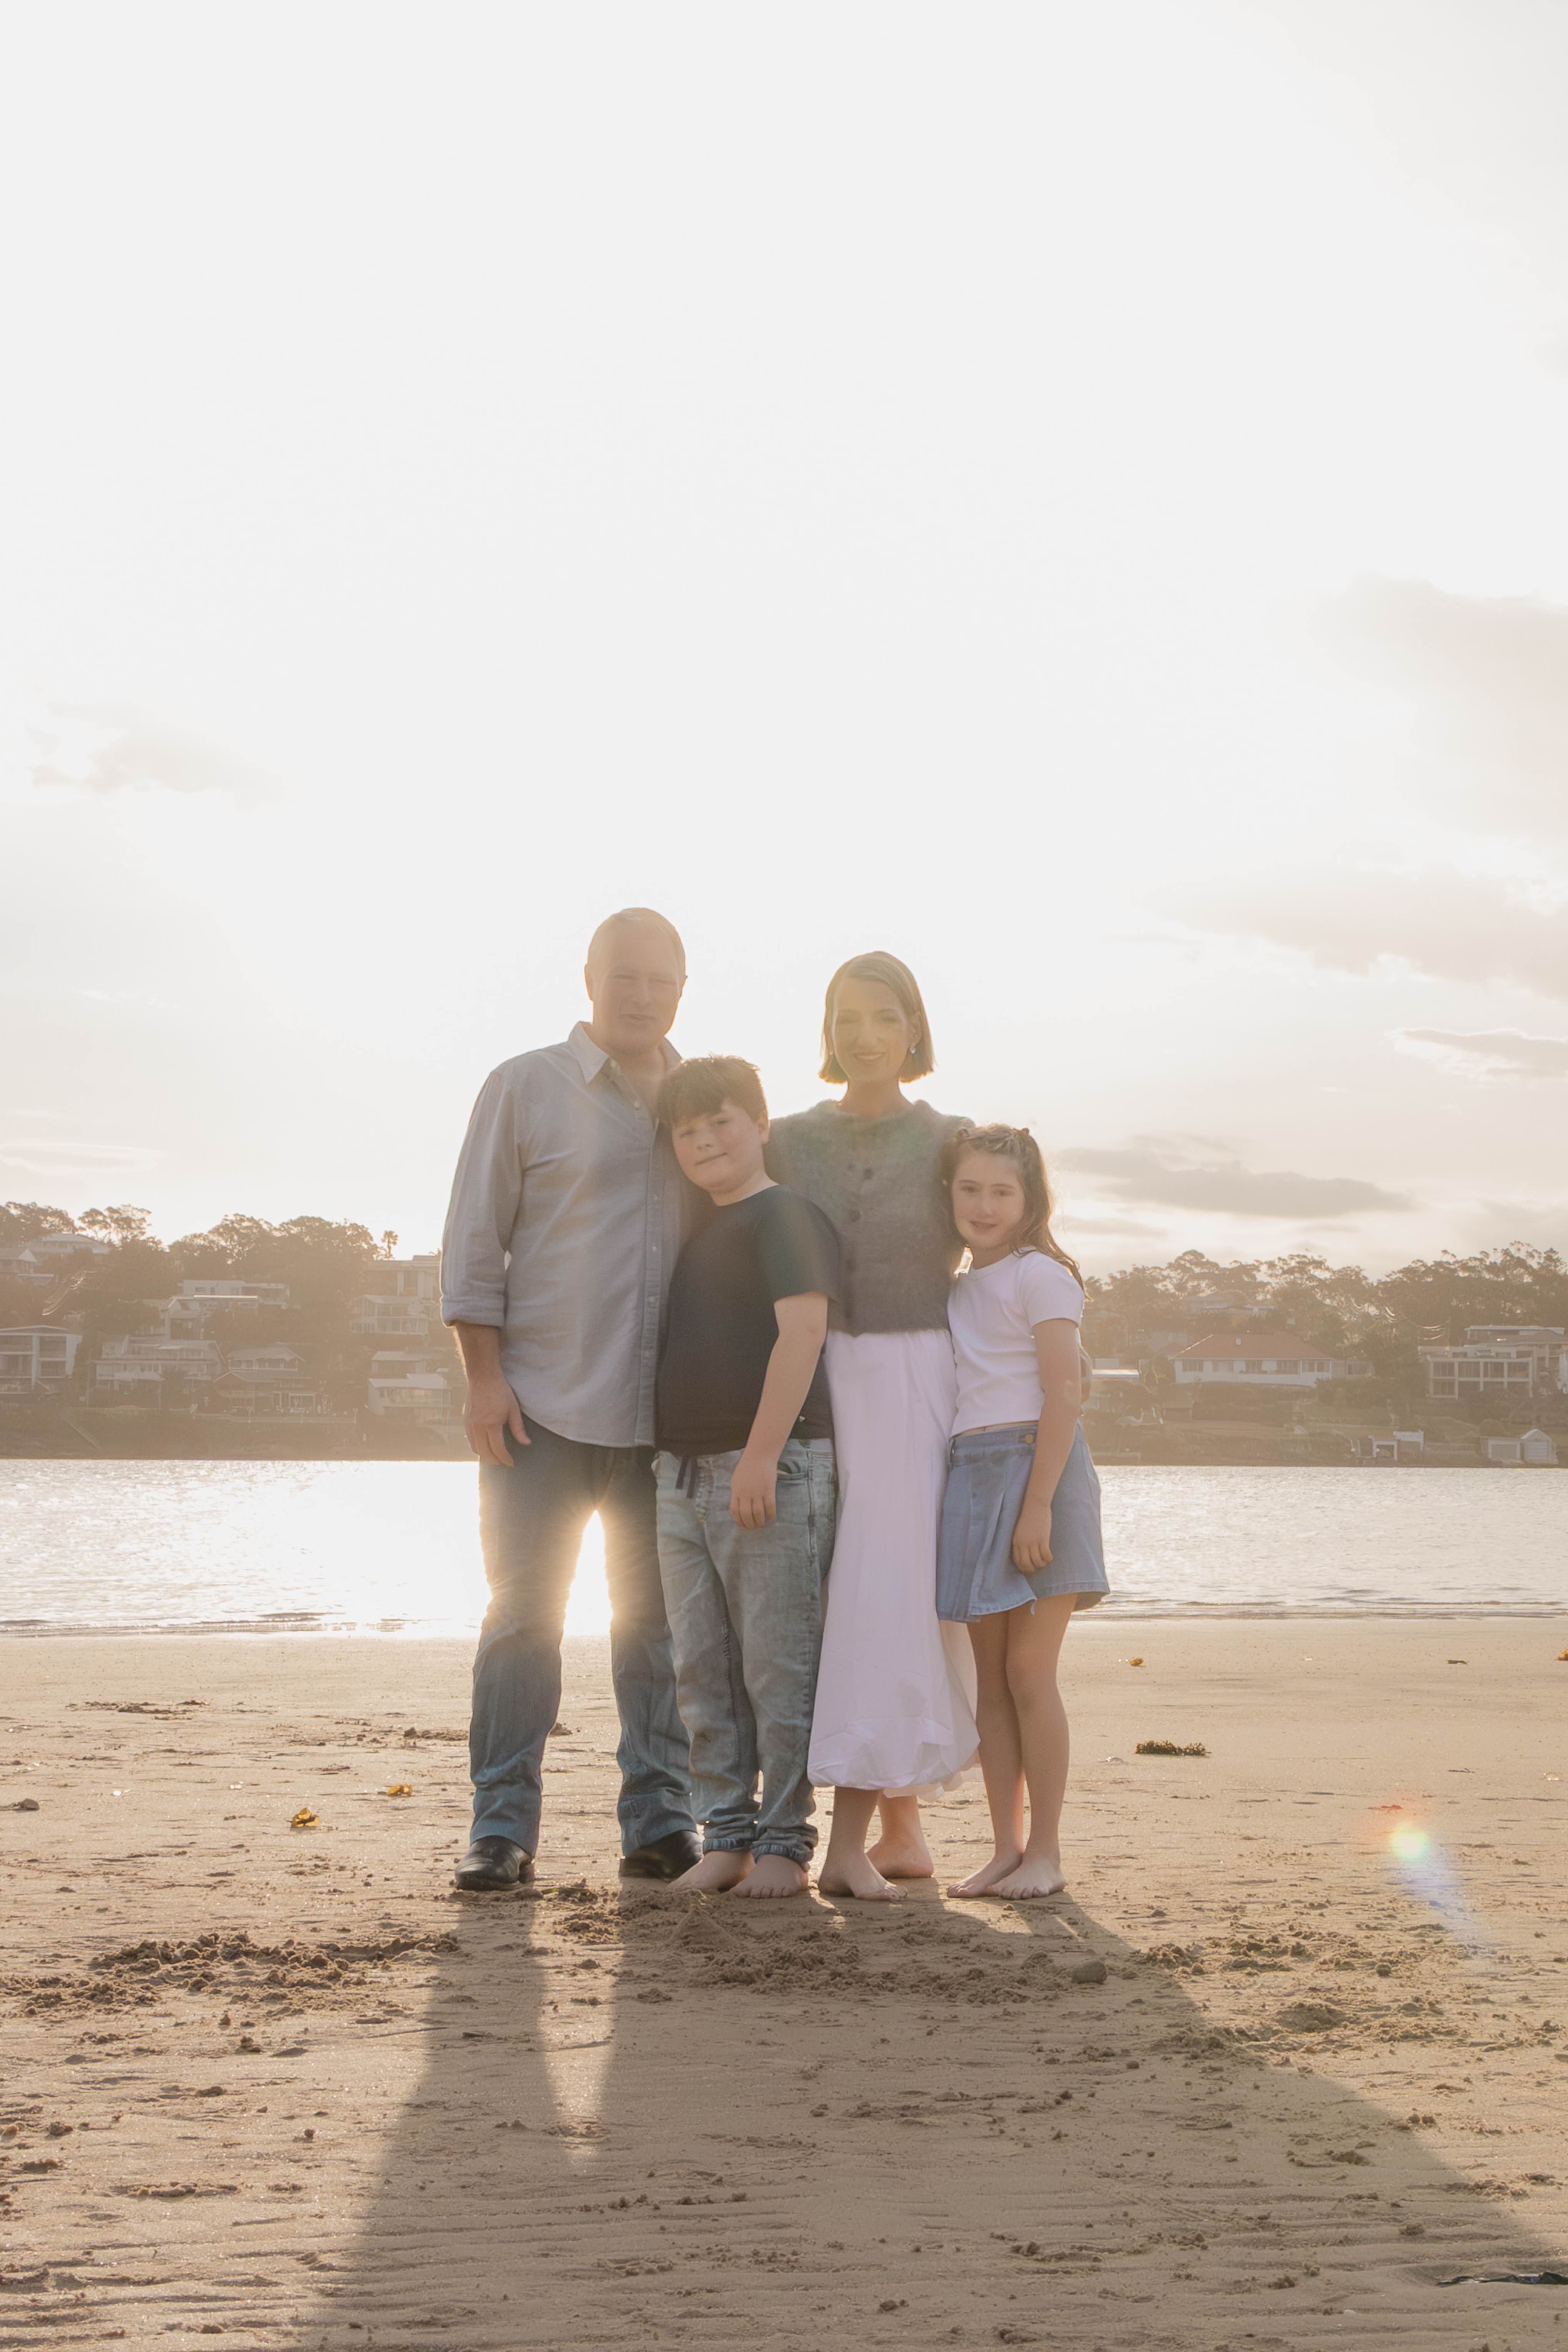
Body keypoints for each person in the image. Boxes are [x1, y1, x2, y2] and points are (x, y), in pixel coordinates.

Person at [439, 907, 703, 1891]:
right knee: (522, 1617)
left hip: (662, 1419)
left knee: (656, 1624)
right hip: (536, 1409)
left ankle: (660, 1818)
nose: (641, 996)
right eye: (624, 976)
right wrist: (482, 1377)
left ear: (684, 988)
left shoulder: (704, 1100)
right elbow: (473, 1244)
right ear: (588, 978)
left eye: (661, 980)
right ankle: (500, 1827)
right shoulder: (523, 1087)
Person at [766, 951, 978, 1901]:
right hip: (804, 1370)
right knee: (823, 1586)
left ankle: (865, 1829)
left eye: (883, 1016)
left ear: (915, 1030)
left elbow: (1012, 1237)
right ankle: (900, 1826)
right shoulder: (783, 1138)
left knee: (885, 1591)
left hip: (910, 1372)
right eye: (846, 1016)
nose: (863, 1035)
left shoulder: (951, 1138)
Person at [652, 1056, 840, 1898]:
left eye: (720, 1121)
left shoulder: (784, 1216)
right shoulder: (693, 1224)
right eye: (686, 1130)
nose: (703, 1140)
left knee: (778, 1665)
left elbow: (802, 1334)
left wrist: (762, 1452)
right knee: (701, 1669)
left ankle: (784, 1842)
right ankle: (722, 1833)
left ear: (761, 1124)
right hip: (680, 1474)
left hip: (773, 1463)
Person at [936, 1124, 1108, 1901]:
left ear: (1029, 1198)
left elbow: (1064, 1392)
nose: (983, 1204)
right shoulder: (957, 1287)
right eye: (969, 1187)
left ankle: (1046, 1849)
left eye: (1001, 1190)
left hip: (1039, 1468)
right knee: (991, 1685)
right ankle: (1004, 1847)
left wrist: (1036, 1504)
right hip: (972, 1472)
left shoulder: (1043, 1275)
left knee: (1030, 1671)